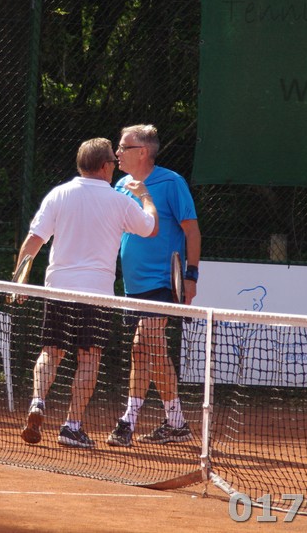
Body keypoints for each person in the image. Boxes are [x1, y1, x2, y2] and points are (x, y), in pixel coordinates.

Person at [17, 138, 158, 448]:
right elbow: (150, 227)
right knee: (89, 356)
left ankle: (38, 402)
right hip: (96, 294)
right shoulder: (121, 201)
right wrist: (145, 195)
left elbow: (33, 240)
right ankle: (72, 427)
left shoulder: (58, 194)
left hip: (59, 288)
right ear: (106, 166)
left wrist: (18, 280)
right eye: (113, 162)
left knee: (51, 351)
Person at [106, 124, 201, 447]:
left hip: (163, 281)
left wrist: (191, 276)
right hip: (132, 286)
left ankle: (127, 421)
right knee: (153, 350)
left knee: (141, 345)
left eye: (123, 147)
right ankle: (176, 422)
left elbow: (192, 231)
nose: (117, 153)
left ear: (143, 152)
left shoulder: (172, 183)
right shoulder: (121, 186)